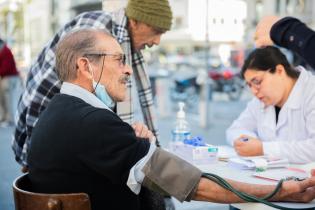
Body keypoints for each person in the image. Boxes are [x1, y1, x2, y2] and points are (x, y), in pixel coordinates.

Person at [28, 28, 315, 210]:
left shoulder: (55, 113)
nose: (127, 70)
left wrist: (132, 144)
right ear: (86, 67)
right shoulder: (94, 123)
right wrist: (278, 191)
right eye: (118, 59)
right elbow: (190, 184)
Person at [13, 0, 172, 167]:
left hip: (62, 133)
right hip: (44, 133)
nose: (157, 41)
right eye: (156, 31)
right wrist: (34, 153)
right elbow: (44, 88)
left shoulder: (121, 38)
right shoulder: (96, 29)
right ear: (135, 21)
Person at [226, 46, 315, 164]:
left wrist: (263, 149)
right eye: (249, 85)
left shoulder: (311, 92)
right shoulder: (260, 100)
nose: (254, 91)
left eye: (257, 82)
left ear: (279, 71)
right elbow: (235, 129)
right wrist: (246, 142)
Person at [0, 38, 21, 126]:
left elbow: (5, 68)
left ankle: (9, 119)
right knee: (4, 99)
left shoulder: (5, 51)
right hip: (7, 78)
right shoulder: (4, 51)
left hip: (9, 78)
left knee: (8, 99)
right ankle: (5, 118)